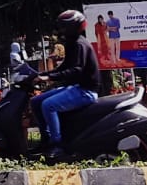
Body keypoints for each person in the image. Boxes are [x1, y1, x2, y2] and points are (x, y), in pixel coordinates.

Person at [29, 9, 100, 158]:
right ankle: (46, 139)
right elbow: (65, 66)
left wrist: (49, 78)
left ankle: (57, 145)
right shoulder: (72, 43)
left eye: (64, 27)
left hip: (86, 91)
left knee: (48, 105)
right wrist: (44, 74)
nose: (61, 30)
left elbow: (76, 70)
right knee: (36, 102)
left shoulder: (80, 44)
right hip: (76, 87)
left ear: (74, 27)